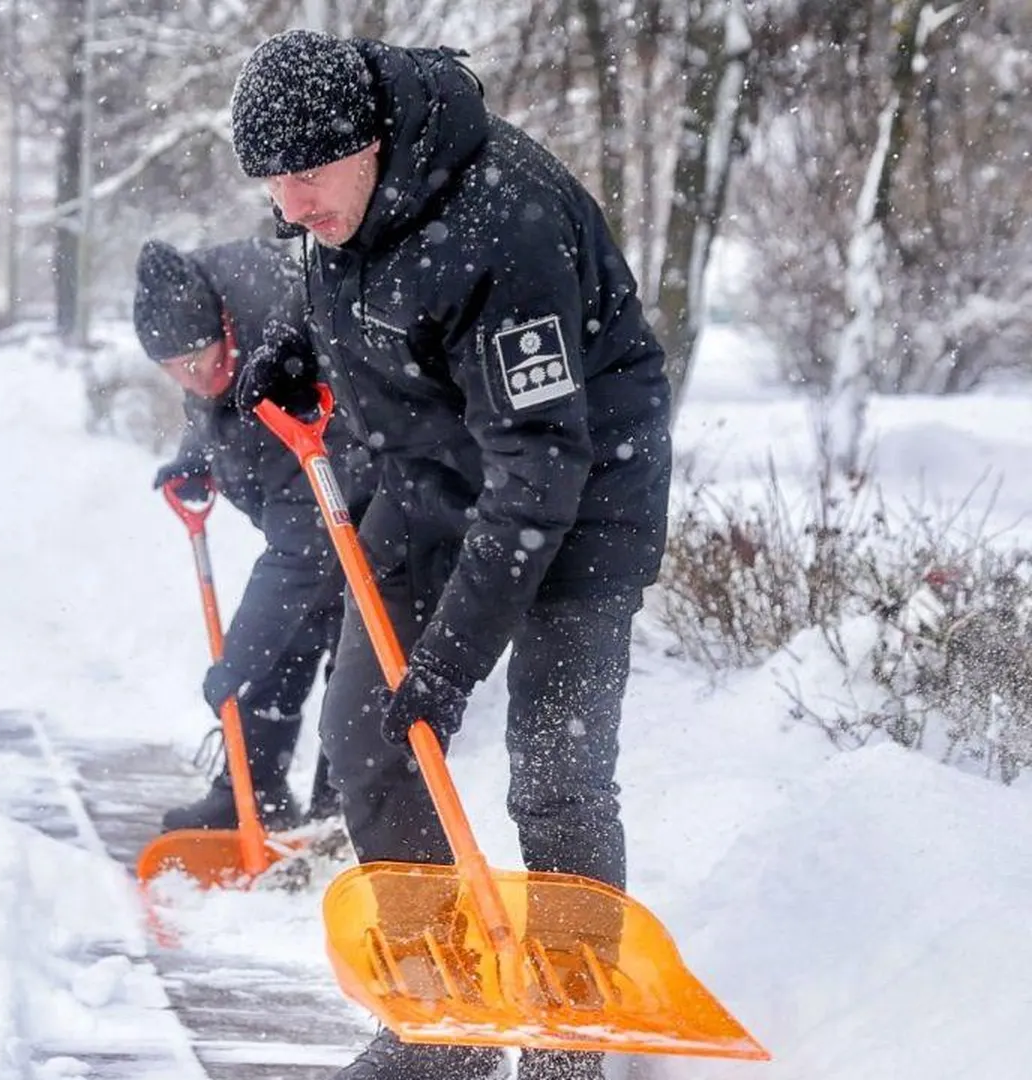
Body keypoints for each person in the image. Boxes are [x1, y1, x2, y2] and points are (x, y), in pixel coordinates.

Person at [228, 31, 674, 1080]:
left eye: (304, 177)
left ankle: (570, 1038)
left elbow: (540, 475)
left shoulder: (505, 224)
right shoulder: (344, 194)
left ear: (371, 139)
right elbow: (351, 270)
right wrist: (303, 341)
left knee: (556, 772)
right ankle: (448, 1021)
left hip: (581, 492)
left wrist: (452, 663)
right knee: (365, 734)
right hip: (434, 473)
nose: (289, 207)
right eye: (270, 184)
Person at [133, 236, 359, 832]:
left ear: (226, 330)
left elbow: (303, 548)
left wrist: (237, 659)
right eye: (173, 370)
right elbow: (213, 405)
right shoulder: (203, 315)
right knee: (286, 638)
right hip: (309, 514)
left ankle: (344, 815)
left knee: (354, 654)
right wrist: (194, 454)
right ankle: (251, 793)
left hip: (371, 499)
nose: (191, 377)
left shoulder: (281, 347)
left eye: (199, 360)